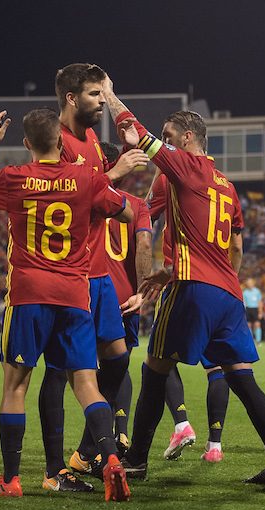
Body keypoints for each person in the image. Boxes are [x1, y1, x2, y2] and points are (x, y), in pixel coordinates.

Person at [104, 78, 265, 485]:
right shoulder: (227, 186)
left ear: (188, 137)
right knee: (241, 377)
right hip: (227, 293)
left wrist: (108, 94)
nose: (166, 142)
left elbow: (137, 132)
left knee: (155, 368)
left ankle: (136, 459)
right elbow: (234, 246)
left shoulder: (185, 167)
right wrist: (202, 275)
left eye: (170, 135)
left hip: (192, 287)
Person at [0, 108, 147, 500]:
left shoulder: (14, 177)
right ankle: (111, 460)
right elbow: (127, 211)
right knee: (87, 384)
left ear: (27, 143)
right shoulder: (87, 178)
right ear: (62, 141)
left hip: (29, 295)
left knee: (15, 385)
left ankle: (11, 481)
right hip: (75, 296)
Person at [33, 64, 142, 487]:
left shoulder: (93, 138)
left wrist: (115, 172)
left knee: (117, 357)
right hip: (68, 274)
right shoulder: (54, 141)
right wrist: (114, 176)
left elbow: (99, 188)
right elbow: (61, 198)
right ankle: (54, 468)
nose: (100, 102)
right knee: (58, 371)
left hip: (99, 275)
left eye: (102, 94)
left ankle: (84, 451)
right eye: (95, 94)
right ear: (71, 98)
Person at [146, 170, 237, 463]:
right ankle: (215, 445)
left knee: (159, 357)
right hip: (219, 287)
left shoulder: (173, 177)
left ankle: (181, 424)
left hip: (183, 281)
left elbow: (144, 212)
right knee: (217, 367)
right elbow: (237, 245)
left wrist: (158, 170)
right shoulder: (224, 184)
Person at [98, 141, 153, 454]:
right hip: (127, 298)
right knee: (120, 366)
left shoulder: (86, 196)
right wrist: (142, 291)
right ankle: (121, 434)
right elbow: (144, 245)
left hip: (92, 293)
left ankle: (98, 442)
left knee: (87, 372)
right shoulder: (137, 205)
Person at [242, 278, 263, 343]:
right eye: (248, 283)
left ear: (253, 283)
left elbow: (260, 302)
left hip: (255, 309)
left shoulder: (257, 291)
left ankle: (258, 341)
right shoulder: (245, 292)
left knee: (257, 324)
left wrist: (260, 312)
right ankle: (251, 340)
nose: (249, 284)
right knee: (248, 325)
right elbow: (244, 303)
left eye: (250, 283)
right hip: (248, 309)